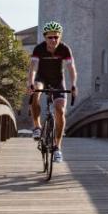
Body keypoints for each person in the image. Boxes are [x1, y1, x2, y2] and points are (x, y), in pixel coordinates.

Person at [27, 21, 78, 163]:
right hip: (41, 78)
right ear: (45, 38)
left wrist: (73, 84)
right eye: (50, 37)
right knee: (36, 91)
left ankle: (57, 147)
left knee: (60, 110)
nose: (53, 40)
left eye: (56, 37)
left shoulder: (64, 49)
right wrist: (30, 82)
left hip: (57, 80)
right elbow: (33, 67)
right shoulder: (39, 48)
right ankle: (37, 126)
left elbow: (71, 68)